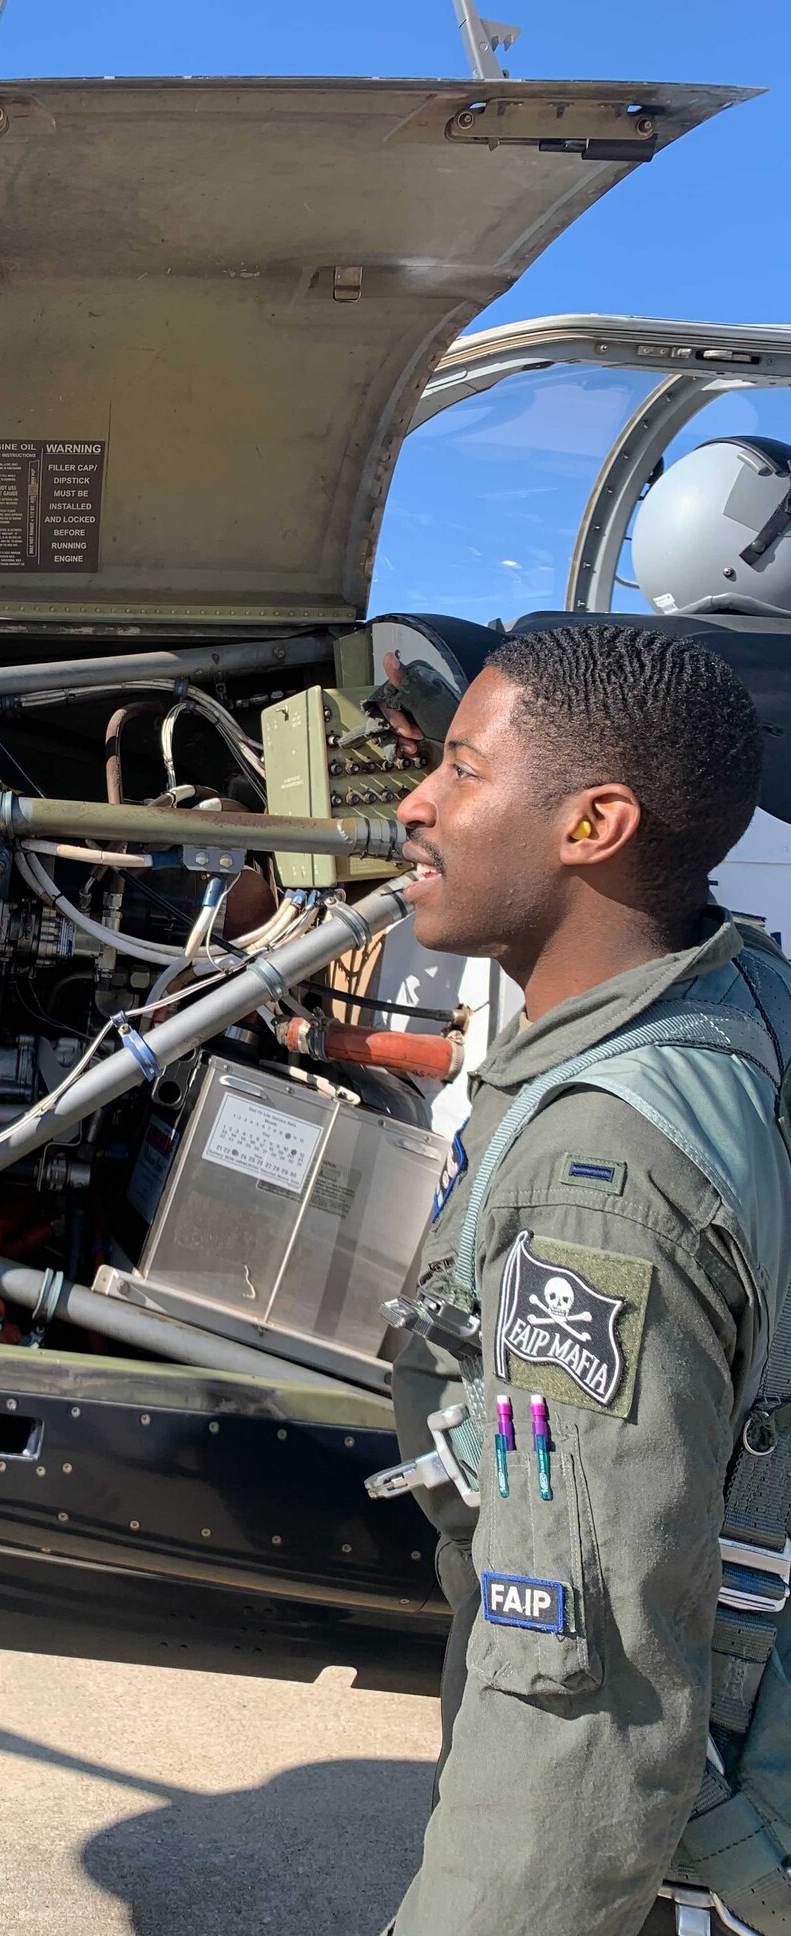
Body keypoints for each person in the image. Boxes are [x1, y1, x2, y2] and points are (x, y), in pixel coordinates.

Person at [380, 620, 791, 1936]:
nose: (417, 803)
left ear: (596, 822)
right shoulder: (745, 1007)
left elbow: (583, 1681)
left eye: (462, 768)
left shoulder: (599, 1170)